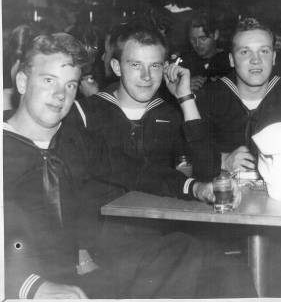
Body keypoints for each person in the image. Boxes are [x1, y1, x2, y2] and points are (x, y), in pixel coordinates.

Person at [3, 32, 203, 299]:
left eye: (71, 85)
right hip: (21, 282)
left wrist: (195, 187)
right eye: (49, 80)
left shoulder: (75, 140)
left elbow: (136, 171)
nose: (60, 94)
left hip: (82, 274)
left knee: (184, 249)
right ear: (23, 82)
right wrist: (31, 286)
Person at [68, 20, 253, 298]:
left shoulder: (169, 113)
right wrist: (80, 252)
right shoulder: (85, 113)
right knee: (187, 253)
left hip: (161, 233)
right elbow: (71, 188)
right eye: (135, 65)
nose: (146, 76)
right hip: (104, 241)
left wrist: (186, 98)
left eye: (155, 66)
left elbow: (207, 171)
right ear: (117, 67)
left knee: (231, 265)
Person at [179, 17, 281, 178]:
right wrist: (222, 160)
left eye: (264, 51)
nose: (256, 60)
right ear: (232, 60)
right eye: (245, 52)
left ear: (274, 57)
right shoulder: (210, 97)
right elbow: (183, 157)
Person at [181, 10, 233, 92]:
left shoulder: (230, 62)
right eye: (193, 39)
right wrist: (184, 87)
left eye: (202, 38)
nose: (197, 44)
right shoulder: (184, 62)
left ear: (215, 35)